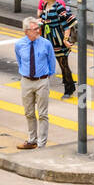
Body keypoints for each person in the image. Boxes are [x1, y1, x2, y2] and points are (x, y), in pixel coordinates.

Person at [14, 16, 57, 149]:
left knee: (43, 114)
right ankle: (32, 140)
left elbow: (52, 62)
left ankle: (41, 144)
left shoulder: (46, 43)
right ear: (26, 31)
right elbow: (20, 61)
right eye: (34, 29)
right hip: (26, 81)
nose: (38, 31)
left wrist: (45, 78)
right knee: (29, 112)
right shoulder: (19, 44)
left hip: (42, 81)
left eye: (38, 28)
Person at [40, 0, 76, 98]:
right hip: (47, 39)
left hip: (58, 41)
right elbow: (44, 20)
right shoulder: (46, 5)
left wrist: (66, 39)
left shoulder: (58, 7)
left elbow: (69, 22)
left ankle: (69, 88)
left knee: (63, 65)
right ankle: (41, 89)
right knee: (44, 64)